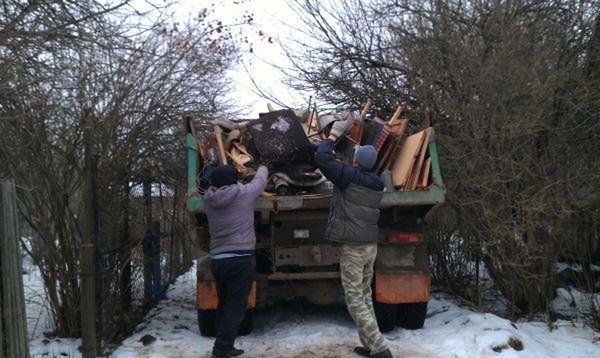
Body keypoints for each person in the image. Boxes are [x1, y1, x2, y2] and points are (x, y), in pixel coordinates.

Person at [314, 116, 392, 358]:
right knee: (365, 294)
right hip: (369, 246)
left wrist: (334, 135)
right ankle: (370, 345)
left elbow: (322, 158)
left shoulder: (348, 177)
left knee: (354, 300)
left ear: (356, 160)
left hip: (354, 249)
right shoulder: (375, 182)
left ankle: (380, 347)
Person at [203, 164, 268, 358]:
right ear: (233, 180)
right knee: (235, 306)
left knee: (225, 303)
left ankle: (224, 344)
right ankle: (221, 349)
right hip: (240, 259)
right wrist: (263, 166)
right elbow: (260, 181)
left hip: (218, 260)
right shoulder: (243, 194)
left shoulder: (208, 199)